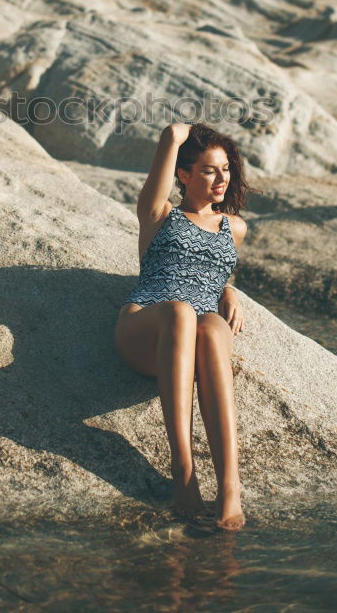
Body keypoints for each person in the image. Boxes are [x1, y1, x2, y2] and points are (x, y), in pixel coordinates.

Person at [114, 121, 258, 530]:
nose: (221, 178)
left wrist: (229, 292)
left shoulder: (236, 228)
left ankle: (230, 487)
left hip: (194, 336)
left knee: (212, 325)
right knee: (181, 311)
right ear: (184, 175)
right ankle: (184, 473)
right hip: (147, 326)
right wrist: (175, 136)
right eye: (210, 169)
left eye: (226, 169)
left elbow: (215, 275)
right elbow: (168, 150)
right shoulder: (159, 215)